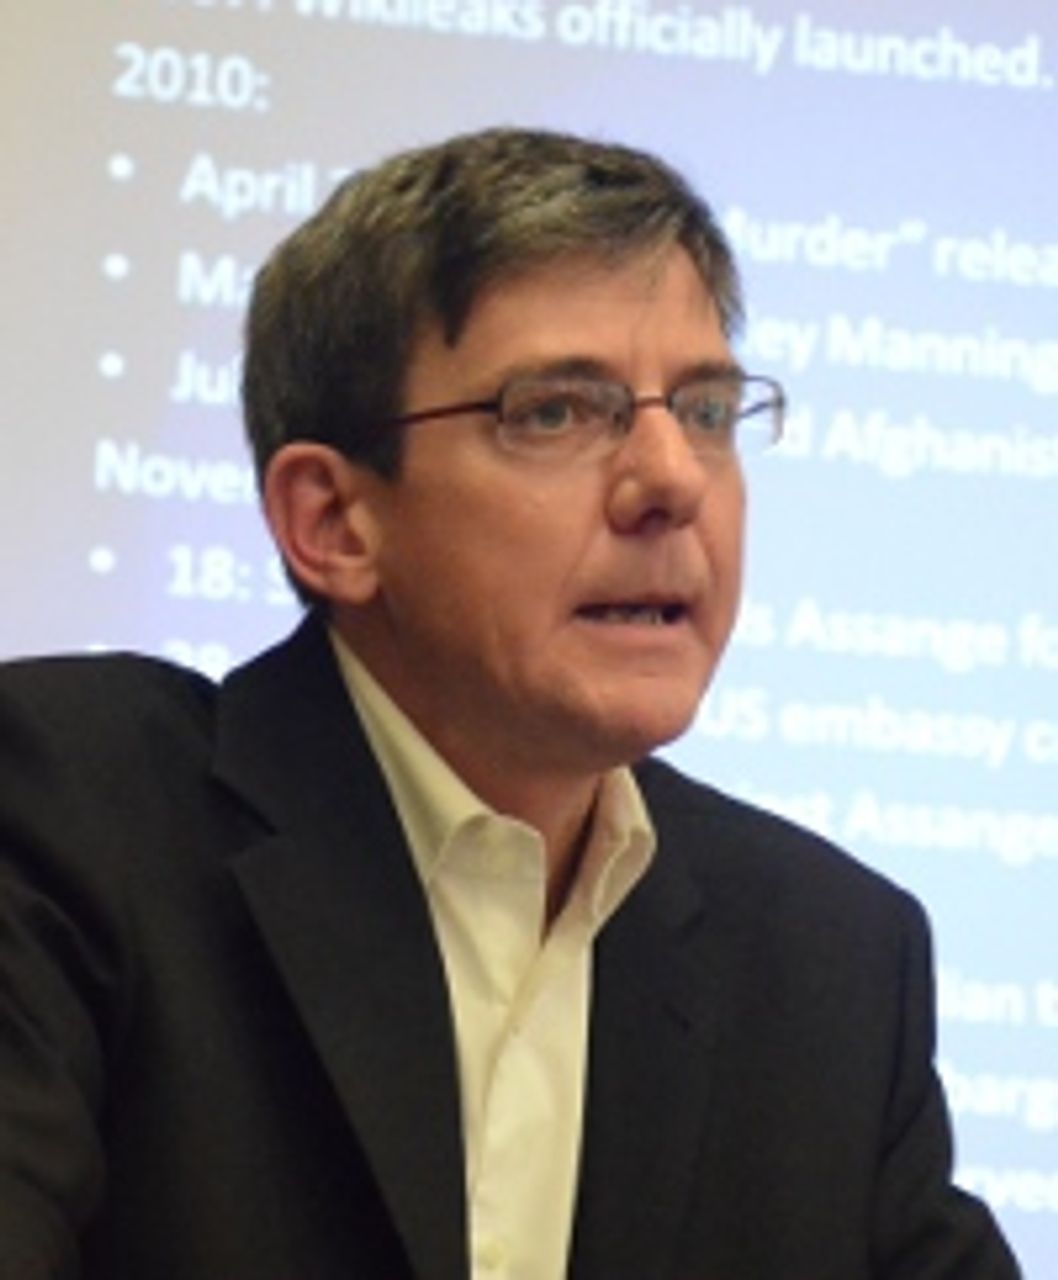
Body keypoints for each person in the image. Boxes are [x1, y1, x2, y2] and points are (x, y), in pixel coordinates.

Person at [0, 127, 1020, 1280]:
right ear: (332, 521)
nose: (670, 480)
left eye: (703, 411)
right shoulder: (69, 817)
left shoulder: (824, 959)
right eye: (554, 411)